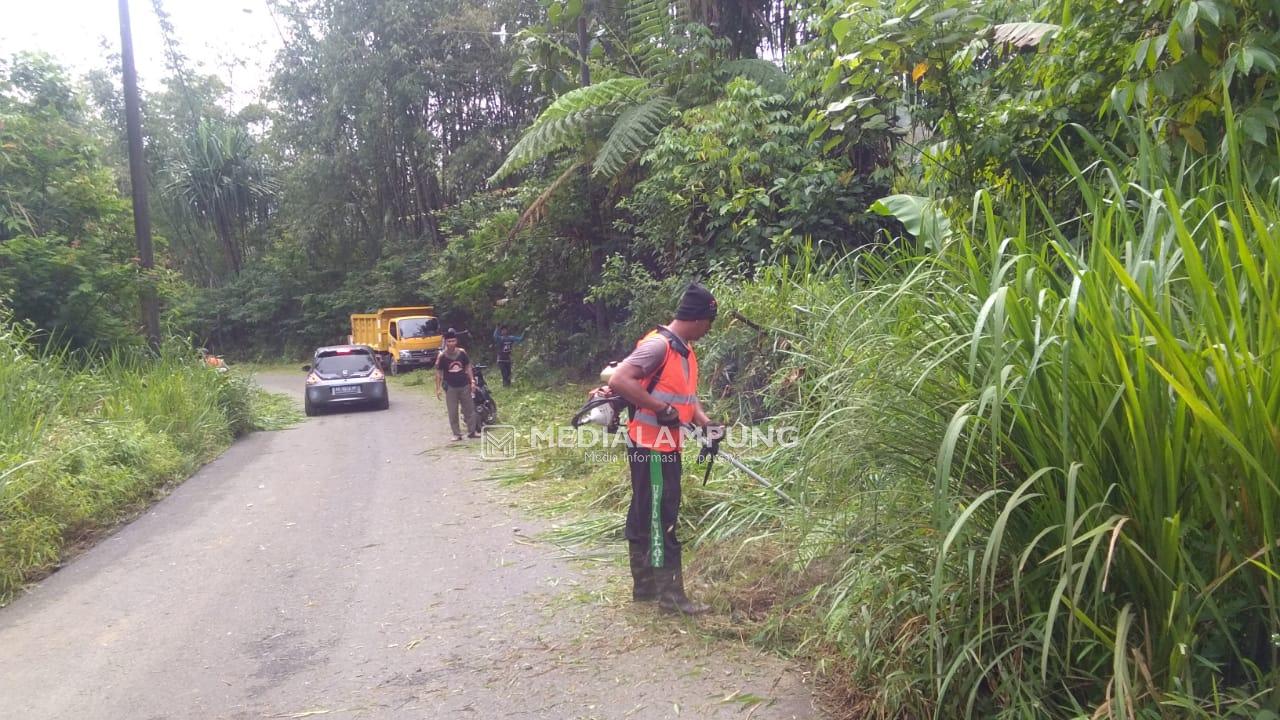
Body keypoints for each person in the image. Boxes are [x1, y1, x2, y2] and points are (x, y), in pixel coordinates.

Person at [607, 283, 718, 615]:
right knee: (661, 515)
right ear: (698, 319)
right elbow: (620, 380)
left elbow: (685, 396)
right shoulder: (659, 346)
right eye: (709, 323)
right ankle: (670, 596)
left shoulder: (684, 349)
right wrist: (659, 408)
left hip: (665, 445)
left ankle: (645, 587)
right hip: (651, 445)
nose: (709, 330)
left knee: (647, 509)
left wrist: (705, 423)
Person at [435, 329, 478, 440]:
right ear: (446, 342)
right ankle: (456, 434)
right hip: (450, 387)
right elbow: (439, 372)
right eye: (449, 341)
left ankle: (472, 432)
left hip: (464, 384)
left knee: (469, 409)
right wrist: (438, 388)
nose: (451, 343)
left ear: (456, 341)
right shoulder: (442, 356)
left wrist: (472, 381)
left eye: (453, 341)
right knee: (452, 411)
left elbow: (468, 366)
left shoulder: (462, 353)